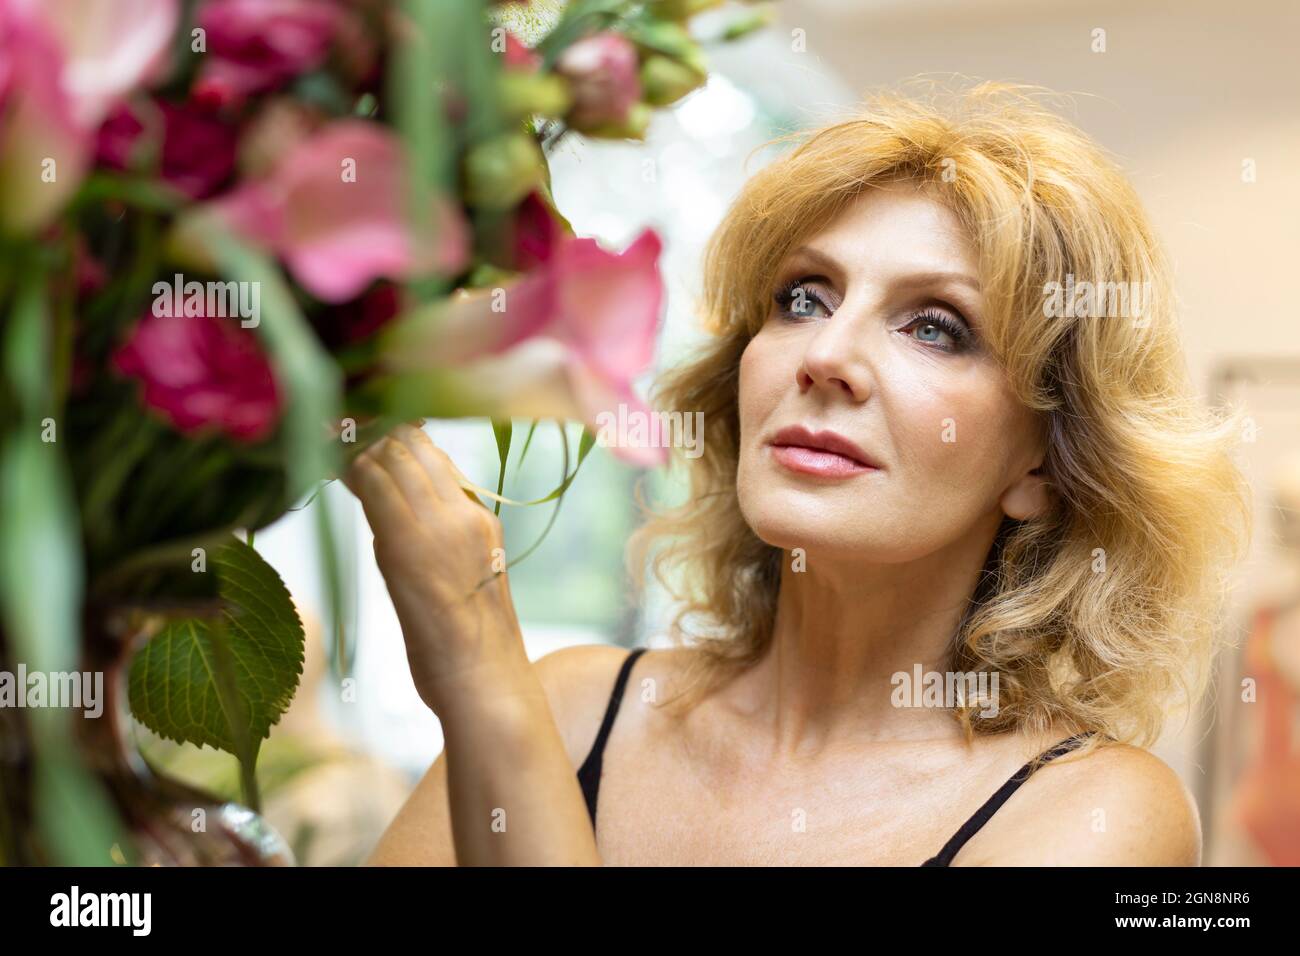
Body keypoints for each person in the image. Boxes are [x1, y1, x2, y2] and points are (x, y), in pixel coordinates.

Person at [345, 81, 1252, 866]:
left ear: (1042, 469)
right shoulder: (573, 706)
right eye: (802, 298)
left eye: (935, 325)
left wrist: (477, 669)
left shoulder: (1099, 813)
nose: (826, 354)